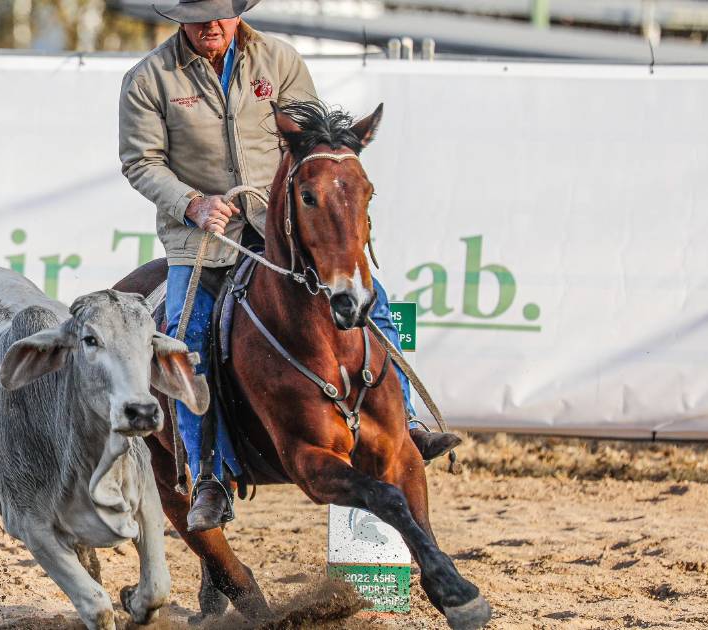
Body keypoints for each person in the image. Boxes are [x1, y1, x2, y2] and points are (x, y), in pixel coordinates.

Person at [118, 0, 461, 532]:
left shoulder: (277, 59)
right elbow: (141, 162)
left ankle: (407, 424)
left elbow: (310, 142)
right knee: (187, 340)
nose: (212, 23)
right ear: (179, 17)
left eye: (221, 11)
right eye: (199, 13)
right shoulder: (149, 78)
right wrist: (193, 203)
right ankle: (209, 472)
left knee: (376, 305)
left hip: (283, 232)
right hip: (201, 243)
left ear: (236, 12)